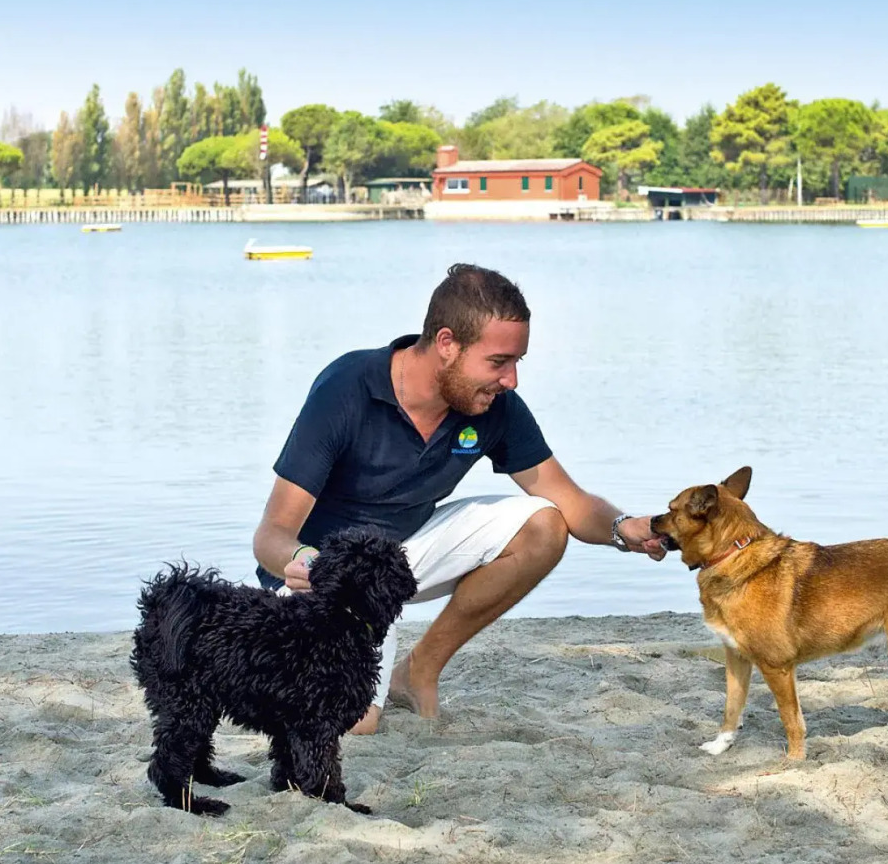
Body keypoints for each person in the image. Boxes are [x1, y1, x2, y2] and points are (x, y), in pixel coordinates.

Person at [253, 263, 667, 735]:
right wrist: (309, 562)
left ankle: (418, 671)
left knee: (544, 524)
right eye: (498, 362)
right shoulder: (347, 388)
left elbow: (568, 498)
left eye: (517, 363)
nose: (511, 380)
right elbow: (271, 536)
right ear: (447, 344)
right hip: (324, 578)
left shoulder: (493, 406)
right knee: (355, 723)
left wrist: (624, 527)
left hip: (401, 558)